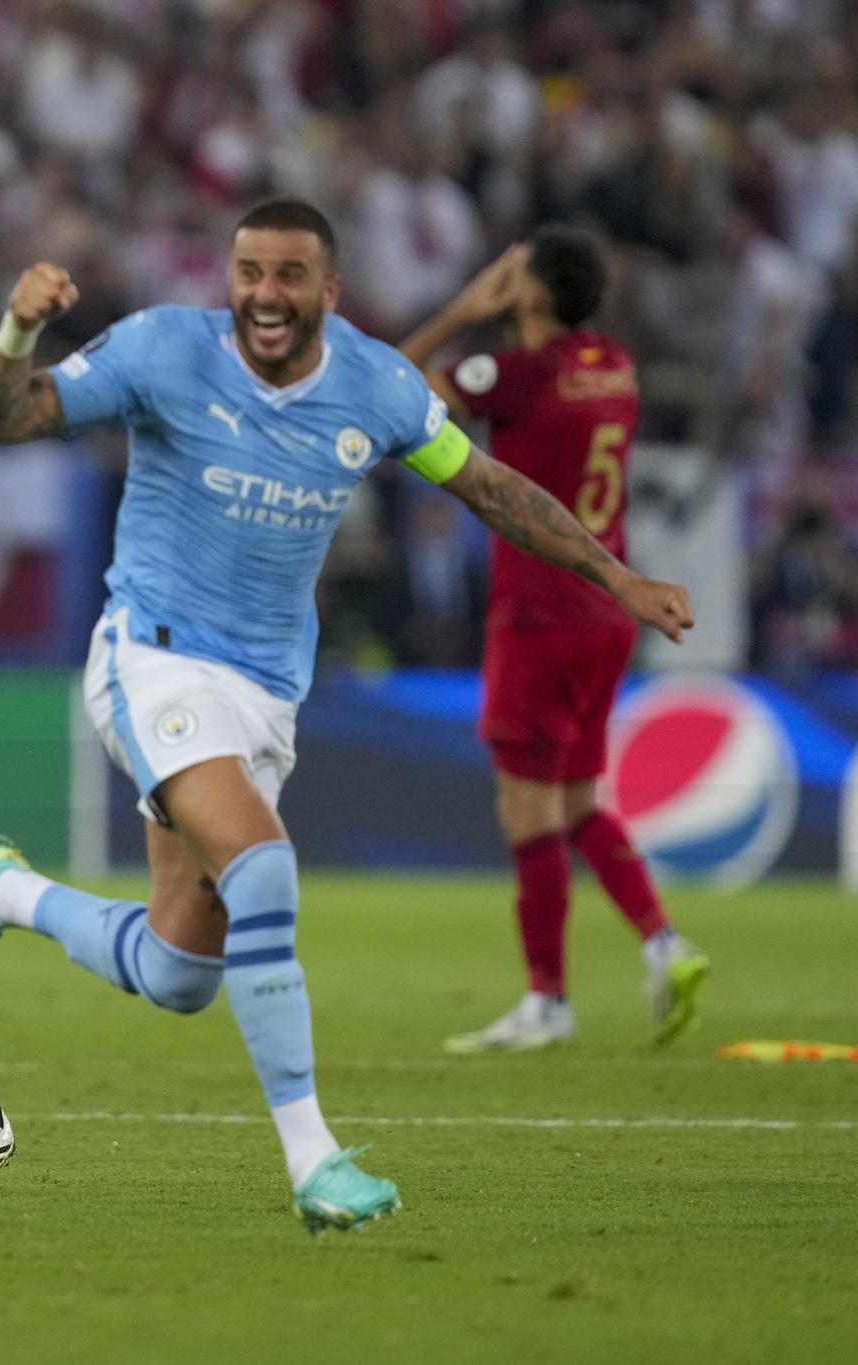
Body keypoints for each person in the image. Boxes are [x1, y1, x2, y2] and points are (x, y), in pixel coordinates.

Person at [0, 199, 694, 1232]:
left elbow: (494, 490)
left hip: (262, 695)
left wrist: (615, 576)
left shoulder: (374, 386)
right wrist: (17, 329)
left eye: (288, 276)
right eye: (248, 272)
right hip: (150, 661)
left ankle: (6, 893)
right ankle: (311, 1160)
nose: (264, 295)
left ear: (327, 291)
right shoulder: (162, 348)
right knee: (265, 867)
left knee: (177, 971)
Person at [400, 229, 710, 1053]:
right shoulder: (614, 362)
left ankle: (547, 999)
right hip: (609, 609)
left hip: (539, 609)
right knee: (575, 803)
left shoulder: (517, 373)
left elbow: (392, 388)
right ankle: (662, 941)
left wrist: (468, 306)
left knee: (526, 808)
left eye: (516, 271)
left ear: (529, 296)